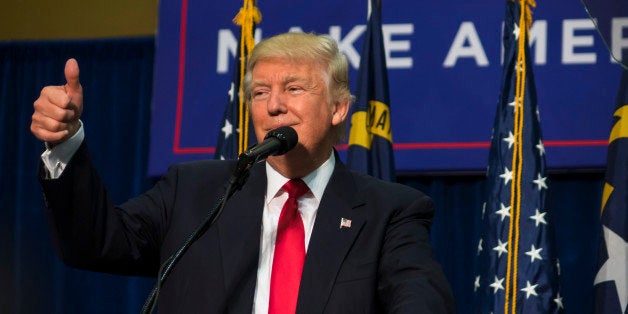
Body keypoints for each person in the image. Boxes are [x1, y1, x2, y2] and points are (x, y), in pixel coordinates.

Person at [31, 32, 455, 313]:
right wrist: (65, 143)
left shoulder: (389, 212)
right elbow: (94, 243)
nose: (273, 106)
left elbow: (421, 302)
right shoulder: (193, 192)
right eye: (261, 92)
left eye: (293, 89)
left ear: (339, 108)